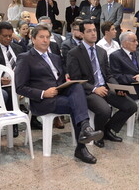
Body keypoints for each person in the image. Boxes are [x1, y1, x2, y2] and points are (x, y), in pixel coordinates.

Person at [14, 24, 103, 163]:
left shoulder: (55, 57)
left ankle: (85, 129)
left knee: (77, 86)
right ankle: (82, 145)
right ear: (33, 39)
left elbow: (60, 80)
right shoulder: (25, 58)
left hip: (60, 94)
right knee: (77, 104)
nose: (45, 40)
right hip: (43, 101)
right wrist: (43, 93)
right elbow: (20, 87)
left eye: (47, 37)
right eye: (41, 37)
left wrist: (66, 83)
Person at [67, 19, 137, 148]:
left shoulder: (101, 52)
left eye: (94, 30)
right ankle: (98, 136)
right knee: (105, 110)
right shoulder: (74, 53)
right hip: (88, 91)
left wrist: (117, 88)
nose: (93, 33)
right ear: (82, 34)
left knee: (131, 106)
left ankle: (107, 130)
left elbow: (108, 75)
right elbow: (75, 80)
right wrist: (94, 89)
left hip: (105, 87)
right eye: (89, 31)